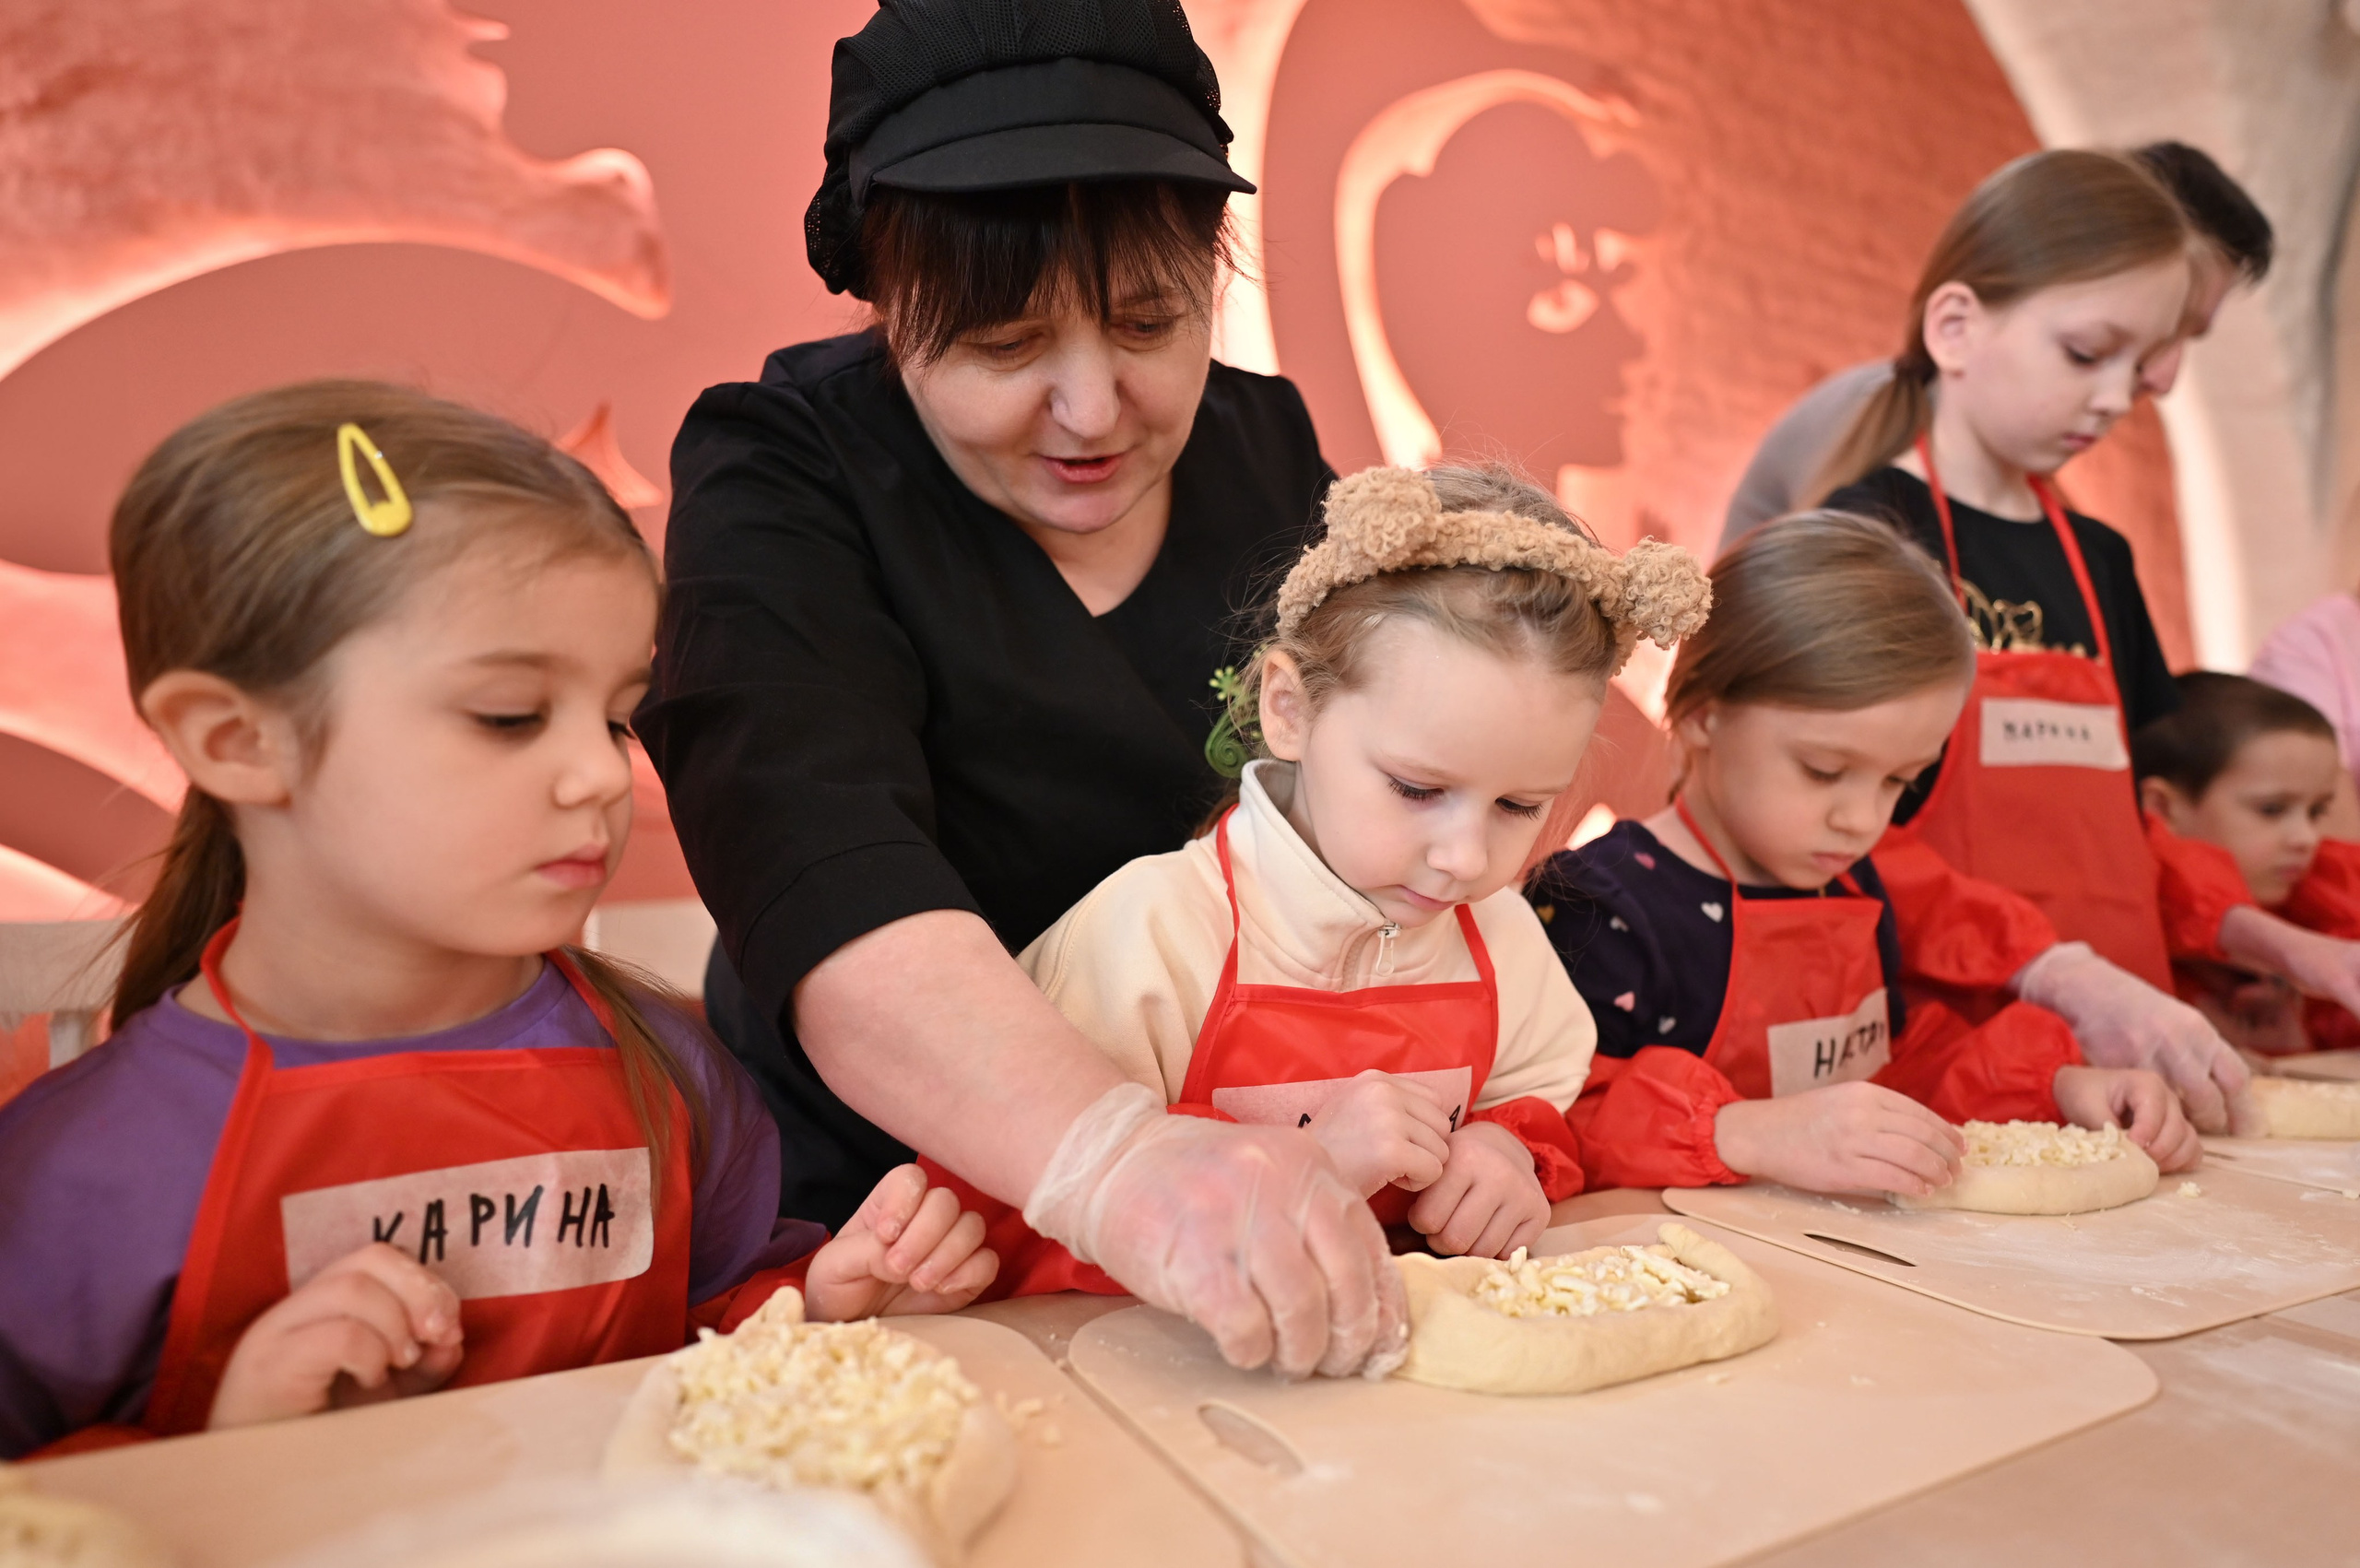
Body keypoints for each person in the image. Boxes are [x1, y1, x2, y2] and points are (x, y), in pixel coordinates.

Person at [0, 384, 997, 1461]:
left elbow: (717, 1327)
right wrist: (225, 1448)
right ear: (237, 741)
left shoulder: (668, 1075)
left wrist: (824, 1306)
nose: (600, 776)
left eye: (616, 718)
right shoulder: (77, 1172)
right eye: (510, 715)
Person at [637, 0, 1403, 1379]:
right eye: (1003, 345)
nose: (1093, 409)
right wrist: (1116, 1162)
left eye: (1150, 322)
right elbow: (819, 870)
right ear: (889, 308)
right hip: (890, 1228)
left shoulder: (1269, 453)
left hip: (1240, 1183)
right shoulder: (785, 473)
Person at [918, 465, 1708, 1293]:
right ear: (1289, 709)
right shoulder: (1149, 937)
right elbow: (1004, 1229)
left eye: (1519, 805)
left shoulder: (1504, 941)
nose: (1467, 859)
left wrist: (1512, 1153)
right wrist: (1299, 1166)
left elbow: (1551, 1106)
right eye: (1416, 789)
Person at [1787, 148, 2295, 1132]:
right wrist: (2061, 973)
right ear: (1955, 327)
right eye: (2086, 353)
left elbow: (2130, 832)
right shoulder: (1867, 540)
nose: (2117, 397)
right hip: (1940, 1070)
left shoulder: (2098, 558)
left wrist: (2278, 944)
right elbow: (1836, 841)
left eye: (2136, 367)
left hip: (2126, 1069)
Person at [1530, 513, 2200, 1194]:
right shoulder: (1598, 905)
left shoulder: (1852, 887)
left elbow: (1896, 1069)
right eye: (1824, 770)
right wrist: (1750, 1132)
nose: (1862, 820)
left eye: (1898, 782)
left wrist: (2055, 1086)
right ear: (1705, 714)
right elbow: (1553, 1117)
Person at [1721, 140, 2274, 548]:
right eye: (2087, 350)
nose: (2164, 378)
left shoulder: (2057, 522)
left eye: (2175, 336)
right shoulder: (1873, 455)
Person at [2135, 673, 2360, 1054]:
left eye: (2316, 811)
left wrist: (2297, 1045)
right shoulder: (2132, 914)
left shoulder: (2325, 893)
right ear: (2162, 806)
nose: (2306, 837)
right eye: (2272, 809)